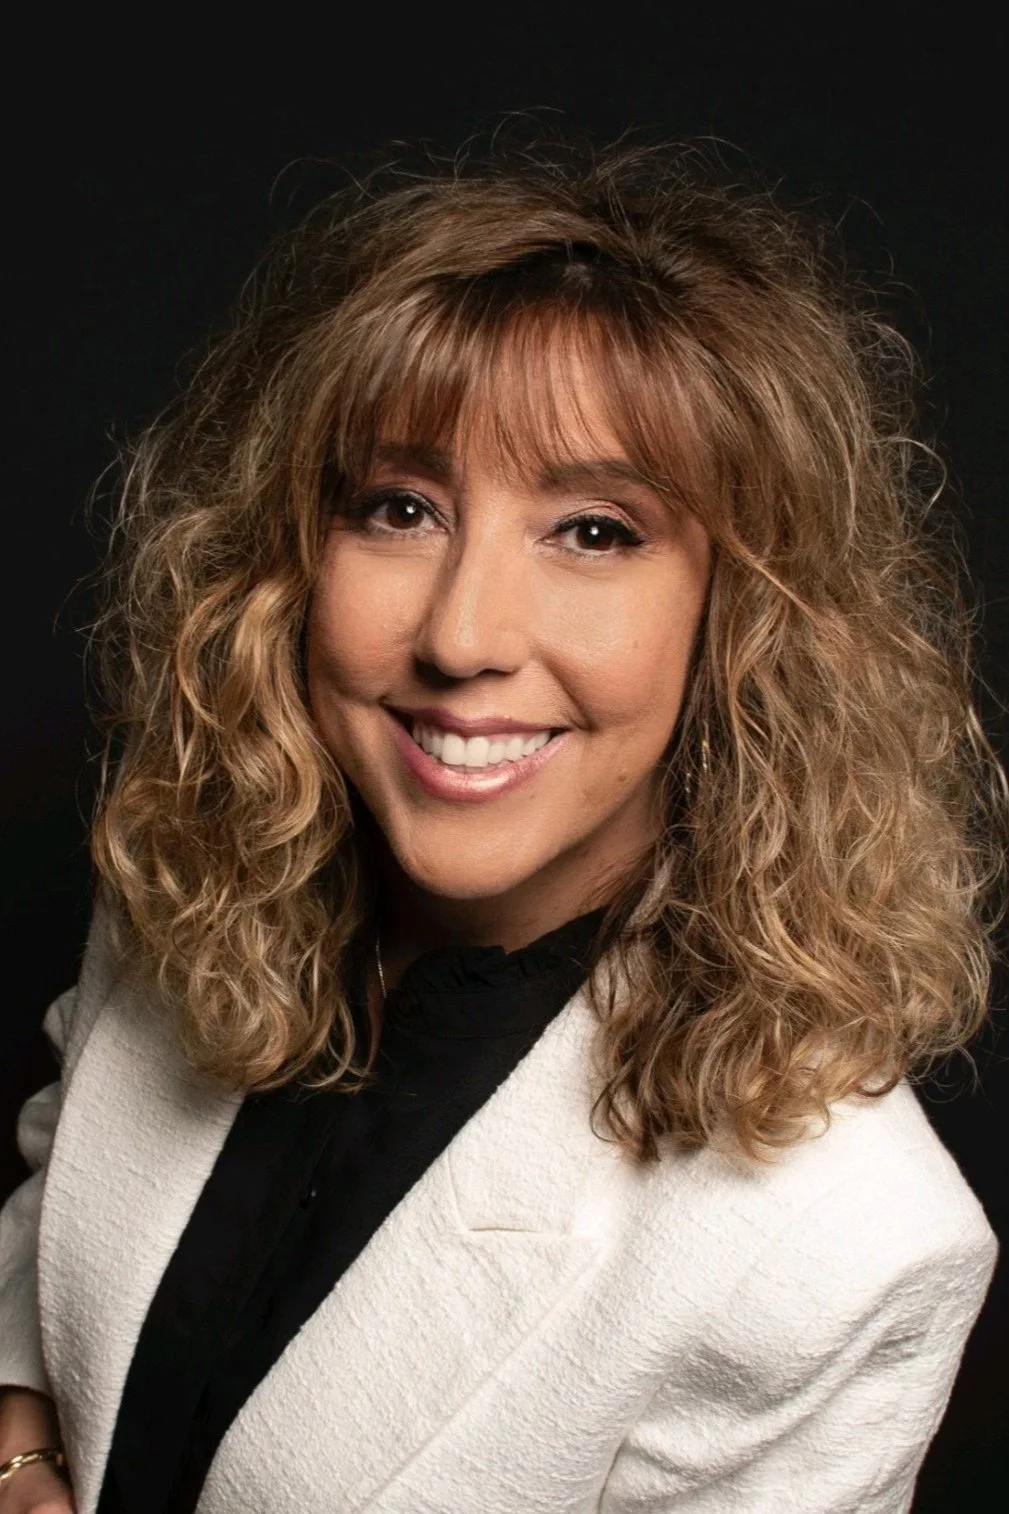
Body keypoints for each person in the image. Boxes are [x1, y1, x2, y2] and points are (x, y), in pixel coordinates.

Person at [0, 138, 1005, 1514]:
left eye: (593, 531)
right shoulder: (193, 852)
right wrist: (19, 1433)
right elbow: (69, 1162)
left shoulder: (842, 1250)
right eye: (399, 507)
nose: (463, 634)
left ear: (745, 618)